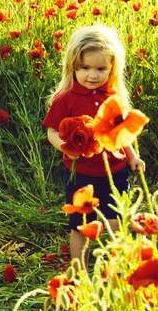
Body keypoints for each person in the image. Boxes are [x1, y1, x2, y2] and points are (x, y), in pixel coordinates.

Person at [42, 24, 145, 272]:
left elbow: (121, 132)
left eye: (101, 69)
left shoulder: (113, 97)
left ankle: (118, 265)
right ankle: (79, 270)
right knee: (80, 224)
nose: (93, 75)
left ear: (112, 69)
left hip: (115, 171)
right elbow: (52, 131)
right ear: (73, 67)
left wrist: (132, 156)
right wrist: (66, 148)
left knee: (116, 221)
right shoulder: (65, 98)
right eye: (85, 68)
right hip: (80, 174)